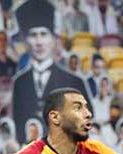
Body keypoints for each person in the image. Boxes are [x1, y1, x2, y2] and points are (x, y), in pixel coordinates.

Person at [12, 0, 91, 144]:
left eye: (44, 34)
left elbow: (86, 120)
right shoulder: (19, 82)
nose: (39, 42)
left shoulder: (75, 81)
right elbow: (18, 122)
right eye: (33, 35)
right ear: (25, 40)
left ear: (54, 38)